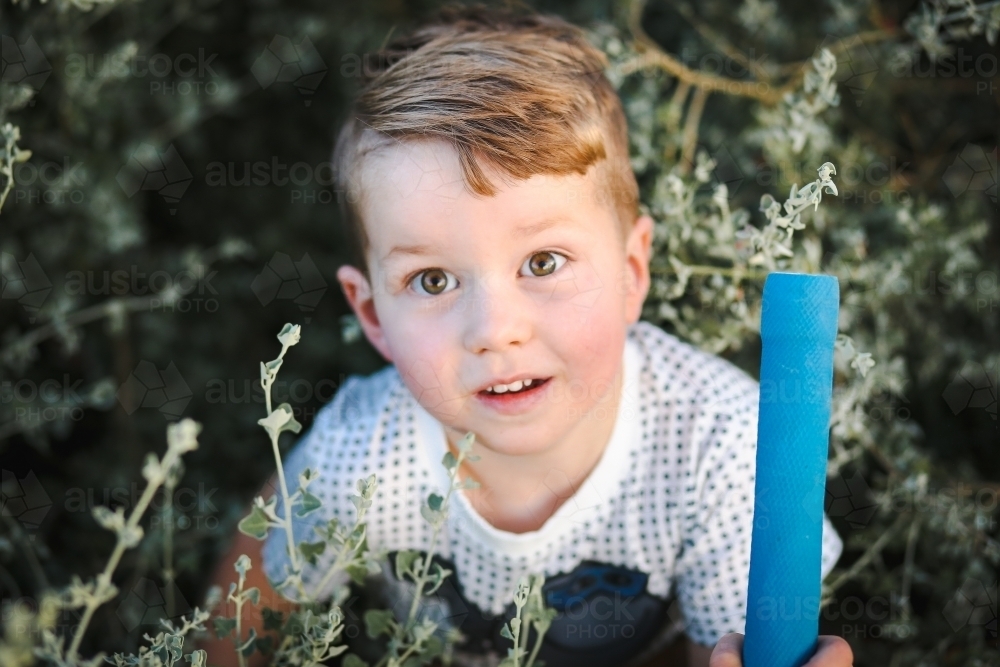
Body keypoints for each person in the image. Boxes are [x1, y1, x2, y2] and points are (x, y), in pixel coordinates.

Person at [200, 5, 853, 667]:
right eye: (431, 280)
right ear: (372, 315)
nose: (495, 330)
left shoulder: (720, 448)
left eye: (543, 263)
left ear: (632, 273)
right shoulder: (358, 455)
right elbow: (235, 632)